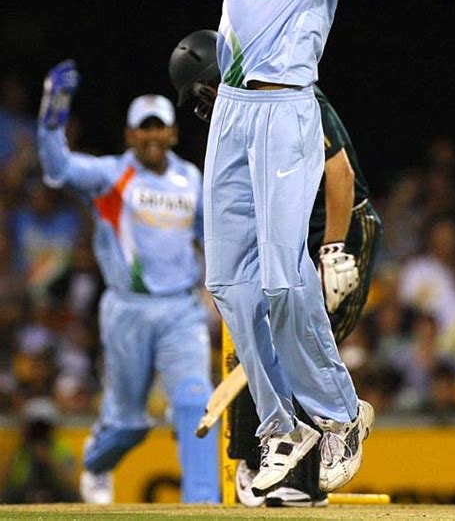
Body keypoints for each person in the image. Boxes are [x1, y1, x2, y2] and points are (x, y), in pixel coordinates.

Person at [126, 0, 412, 496]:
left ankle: (342, 414)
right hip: (230, 108)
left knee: (285, 280)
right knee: (227, 284)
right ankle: (283, 424)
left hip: (287, 106)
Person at [169, 29, 383, 507]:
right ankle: (292, 459)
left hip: (342, 228)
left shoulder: (288, 94)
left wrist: (333, 250)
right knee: (273, 340)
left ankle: (311, 465)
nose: (202, 106)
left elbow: (341, 175)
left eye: (201, 91)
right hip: (292, 234)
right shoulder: (237, 112)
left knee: (295, 340)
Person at [36, 60, 219, 504]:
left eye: (161, 127)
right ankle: (97, 463)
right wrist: (54, 109)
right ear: (130, 135)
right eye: (145, 128)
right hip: (128, 310)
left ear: (174, 133)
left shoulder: (191, 179)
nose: (153, 135)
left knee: (197, 402)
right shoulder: (110, 176)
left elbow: (209, 237)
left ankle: (203, 507)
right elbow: (57, 168)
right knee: (129, 424)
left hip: (180, 309)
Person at [1, 397, 79, 503]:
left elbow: (69, 482)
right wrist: (20, 450)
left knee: (71, 496)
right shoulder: (20, 449)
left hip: (55, 493)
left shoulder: (60, 447)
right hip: (24, 494)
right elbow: (4, 481)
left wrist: (49, 458)